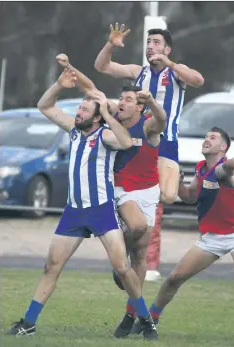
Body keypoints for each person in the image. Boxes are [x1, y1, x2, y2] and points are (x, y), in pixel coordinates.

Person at [6, 67, 158, 341]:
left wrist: (109, 115)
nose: (78, 113)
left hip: (101, 211)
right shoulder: (74, 133)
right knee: (51, 267)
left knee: (123, 269)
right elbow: (44, 106)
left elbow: (125, 141)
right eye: (79, 109)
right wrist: (59, 85)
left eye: (85, 110)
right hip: (73, 213)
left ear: (97, 117)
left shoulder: (106, 136)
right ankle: (28, 323)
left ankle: (146, 320)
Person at [55, 53, 167, 338]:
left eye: (130, 100)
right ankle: (120, 264)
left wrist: (152, 101)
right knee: (139, 228)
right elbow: (90, 87)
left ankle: (131, 315)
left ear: (140, 105)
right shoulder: (113, 116)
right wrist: (70, 67)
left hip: (148, 190)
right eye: (123, 99)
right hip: (119, 187)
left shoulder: (148, 123)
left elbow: (162, 121)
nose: (123, 103)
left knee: (141, 252)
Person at [94, 23, 205, 281]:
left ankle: (129, 239)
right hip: (140, 142)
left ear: (166, 48)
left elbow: (198, 80)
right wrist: (111, 43)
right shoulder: (138, 72)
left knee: (167, 195)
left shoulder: (176, 73)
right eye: (148, 43)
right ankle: (129, 239)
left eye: (156, 42)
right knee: (135, 199)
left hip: (167, 142)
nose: (150, 47)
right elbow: (102, 67)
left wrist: (169, 61)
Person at [130, 127, 234, 333]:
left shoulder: (225, 169)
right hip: (211, 238)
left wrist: (230, 163)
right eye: (206, 137)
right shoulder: (201, 168)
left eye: (213, 138)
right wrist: (176, 182)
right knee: (175, 278)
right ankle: (149, 320)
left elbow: (223, 172)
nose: (206, 140)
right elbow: (190, 196)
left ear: (223, 147)